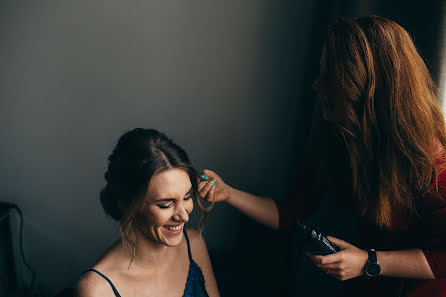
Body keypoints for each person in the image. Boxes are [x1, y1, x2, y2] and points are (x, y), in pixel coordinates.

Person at [197, 16, 446, 297]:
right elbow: (292, 211)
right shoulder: (334, 135)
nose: (316, 86)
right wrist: (228, 194)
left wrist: (370, 262)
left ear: (361, 86)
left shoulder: (430, 158)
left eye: (328, 78)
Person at [76, 128, 219, 297]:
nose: (184, 216)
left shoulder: (194, 244)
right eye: (165, 204)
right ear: (126, 205)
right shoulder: (96, 289)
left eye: (187, 197)